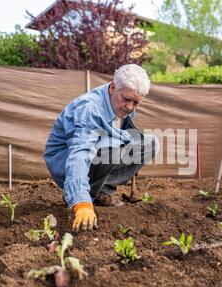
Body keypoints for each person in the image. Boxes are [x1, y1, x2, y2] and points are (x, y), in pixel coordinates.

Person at [44, 64, 159, 233]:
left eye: (136, 102)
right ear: (113, 87)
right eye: (127, 99)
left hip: (100, 149)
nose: (130, 107)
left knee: (150, 143)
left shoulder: (123, 104)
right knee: (114, 147)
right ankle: (82, 194)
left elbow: (126, 133)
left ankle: (101, 190)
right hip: (64, 161)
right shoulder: (90, 109)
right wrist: (81, 203)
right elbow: (80, 153)